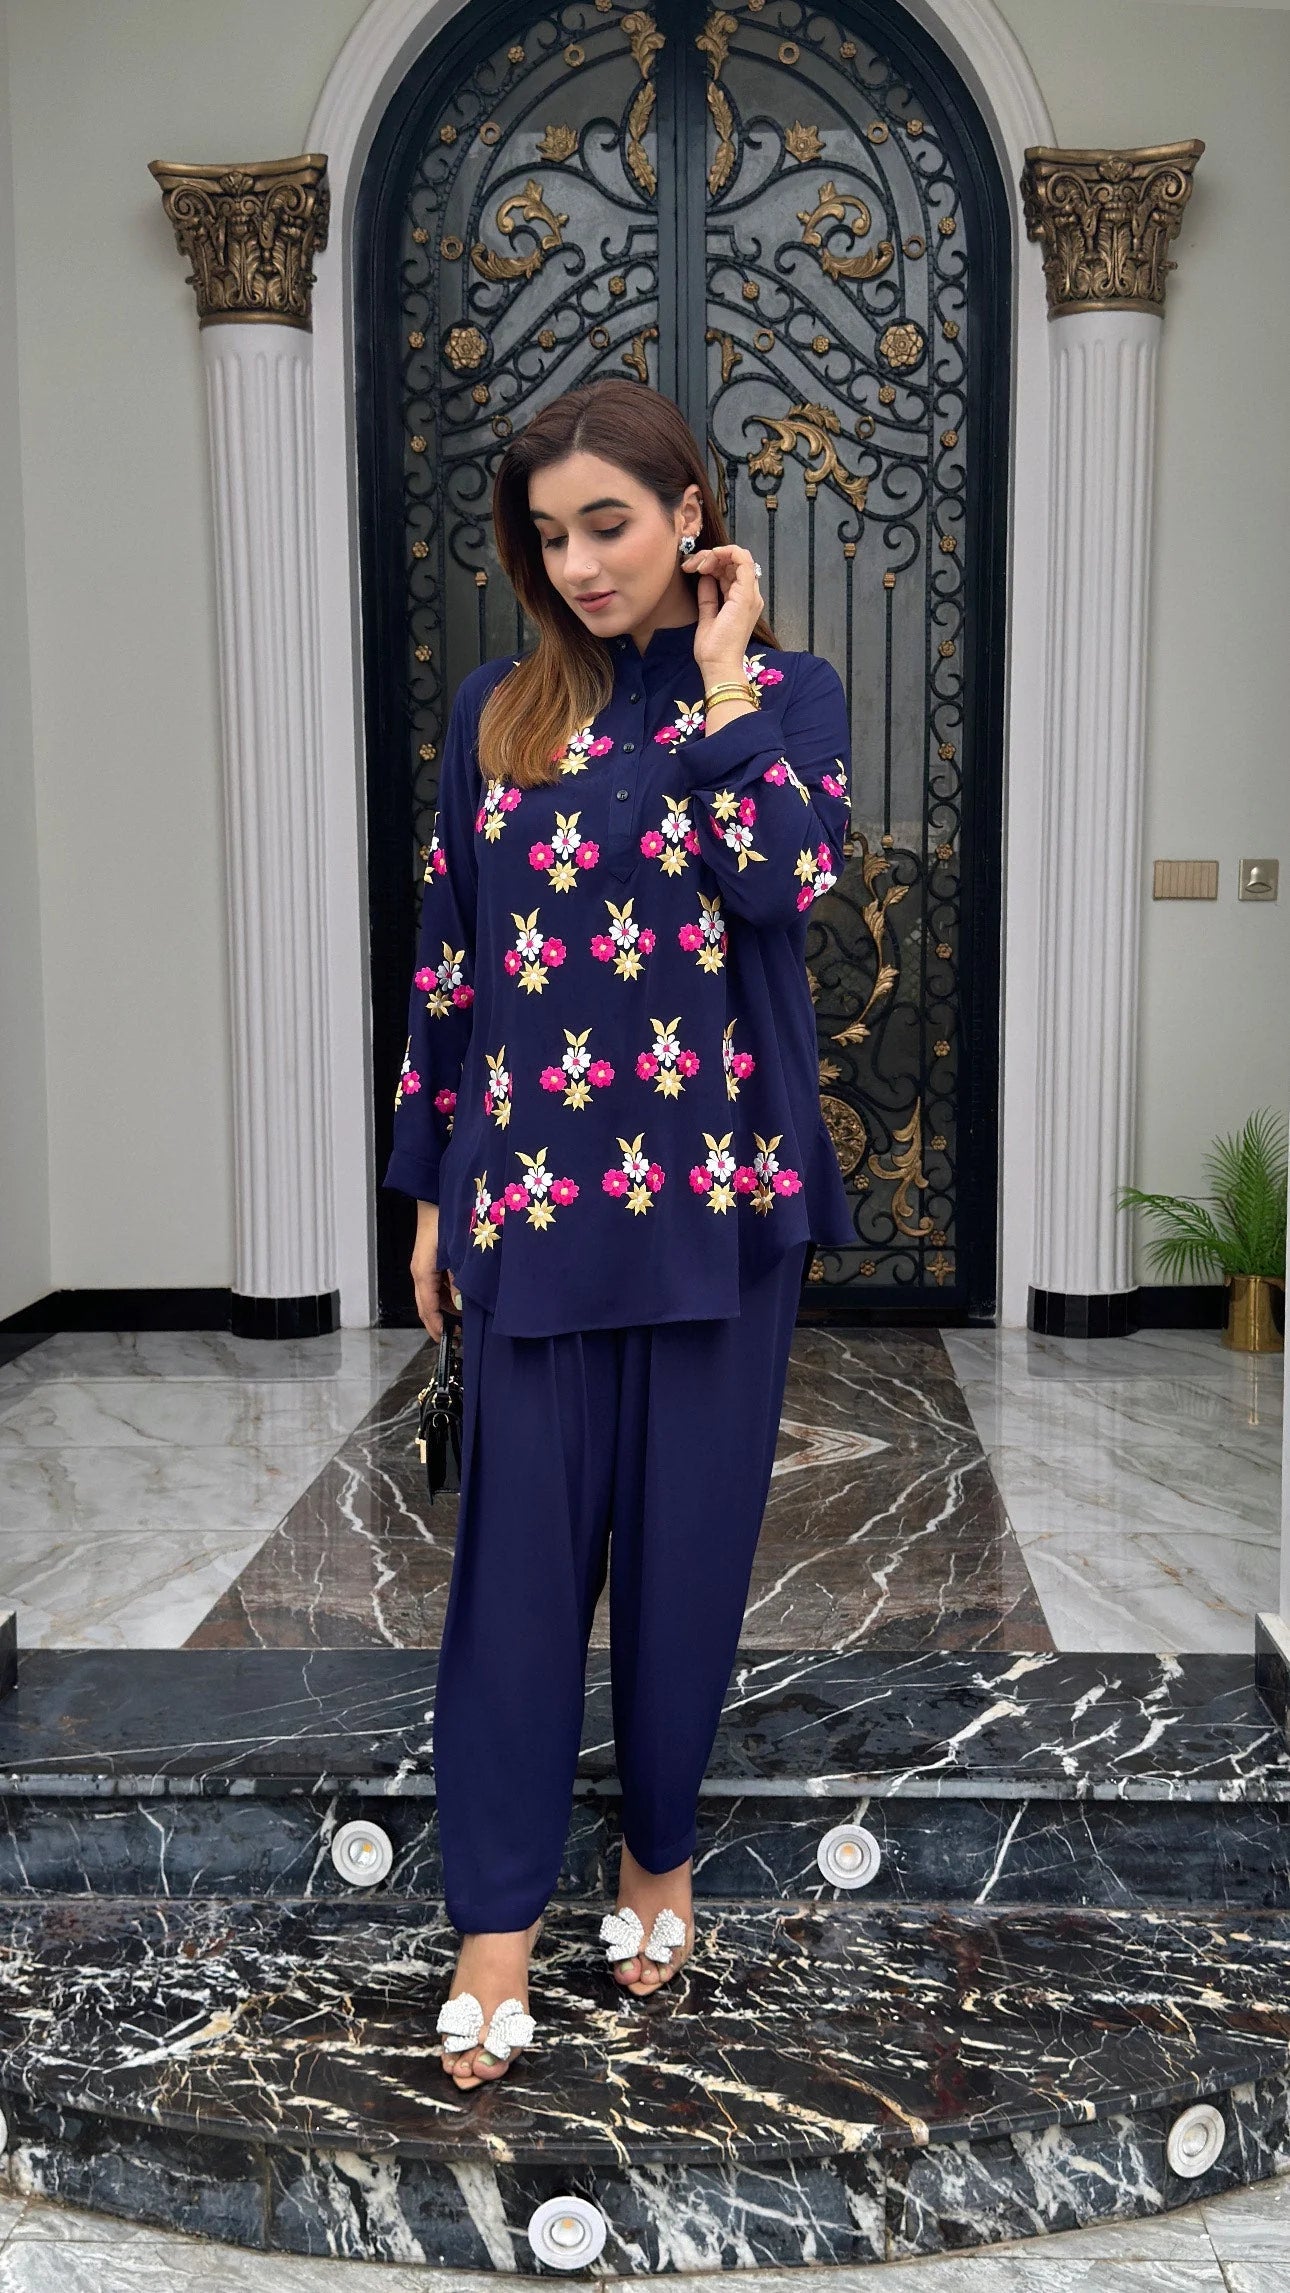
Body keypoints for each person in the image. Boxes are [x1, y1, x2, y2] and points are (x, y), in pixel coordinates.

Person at [382, 377, 855, 2091]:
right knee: (515, 1572)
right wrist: (428, 1187)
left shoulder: (784, 697)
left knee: (685, 1559)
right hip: (533, 1196)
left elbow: (783, 883)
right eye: (550, 534)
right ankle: (494, 1925)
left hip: (722, 1200)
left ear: (686, 516)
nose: (580, 563)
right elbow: (451, 958)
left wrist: (721, 683)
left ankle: (657, 1853)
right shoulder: (496, 711)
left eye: (610, 524)